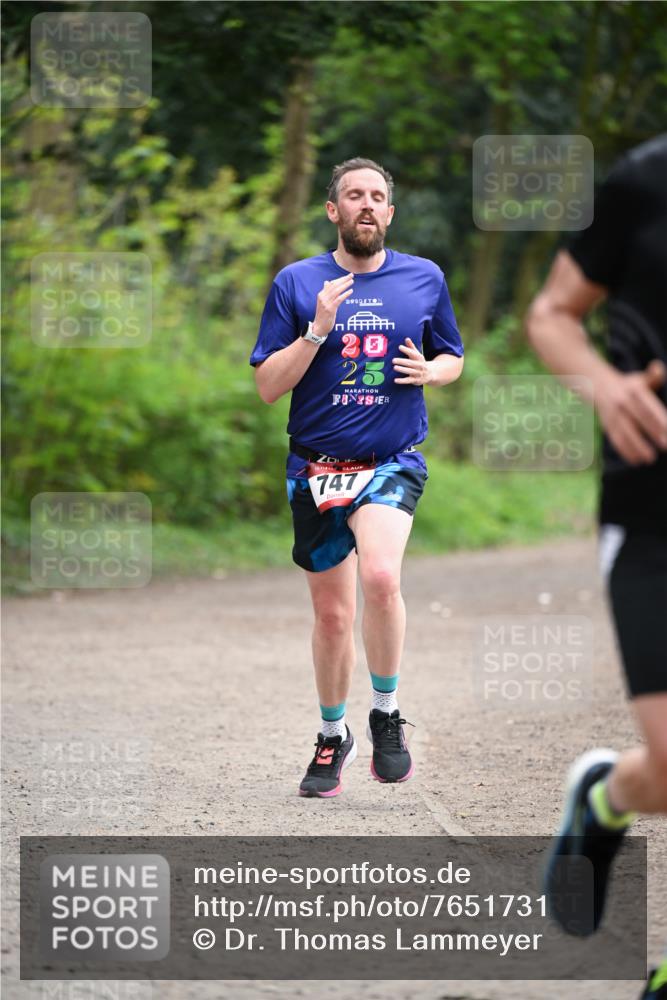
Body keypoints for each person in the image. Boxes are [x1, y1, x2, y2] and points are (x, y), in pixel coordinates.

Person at [250, 157, 464, 798]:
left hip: (391, 461)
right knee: (332, 616)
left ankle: (386, 713)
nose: (366, 204)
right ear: (333, 210)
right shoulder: (296, 282)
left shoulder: (423, 278)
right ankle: (332, 733)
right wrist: (316, 330)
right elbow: (268, 386)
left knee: (381, 577)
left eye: (376, 196)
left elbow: (452, 355)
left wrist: (432, 373)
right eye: (353, 195)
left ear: (389, 213)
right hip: (315, 465)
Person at [526, 133, 667, 999]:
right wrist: (604, 386)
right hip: (653, 515)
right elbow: (551, 314)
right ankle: (603, 798)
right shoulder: (645, 181)